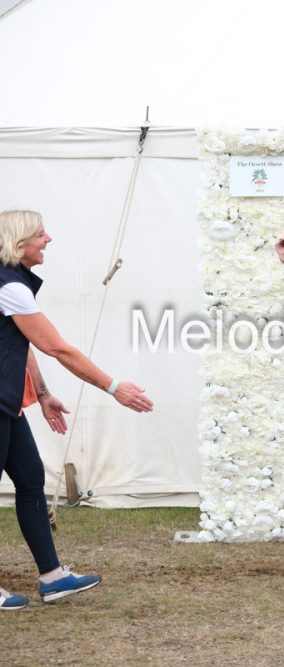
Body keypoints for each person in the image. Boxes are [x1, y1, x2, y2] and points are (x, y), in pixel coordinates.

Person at [0, 209, 153, 610]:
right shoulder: (10, 286)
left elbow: (20, 342)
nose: (48, 239)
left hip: (7, 401)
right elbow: (57, 348)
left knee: (31, 480)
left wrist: (43, 393)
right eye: (41, 234)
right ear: (19, 242)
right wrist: (113, 387)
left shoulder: (12, 283)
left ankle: (53, 578)